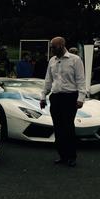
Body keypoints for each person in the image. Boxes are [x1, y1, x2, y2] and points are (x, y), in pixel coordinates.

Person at [39, 36, 85, 168]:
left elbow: (81, 80)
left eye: (54, 47)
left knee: (68, 127)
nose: (52, 49)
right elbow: (48, 80)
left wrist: (80, 98)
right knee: (58, 128)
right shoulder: (52, 61)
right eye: (51, 47)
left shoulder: (75, 60)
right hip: (56, 97)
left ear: (62, 45)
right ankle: (62, 155)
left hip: (70, 97)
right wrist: (43, 96)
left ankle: (71, 156)